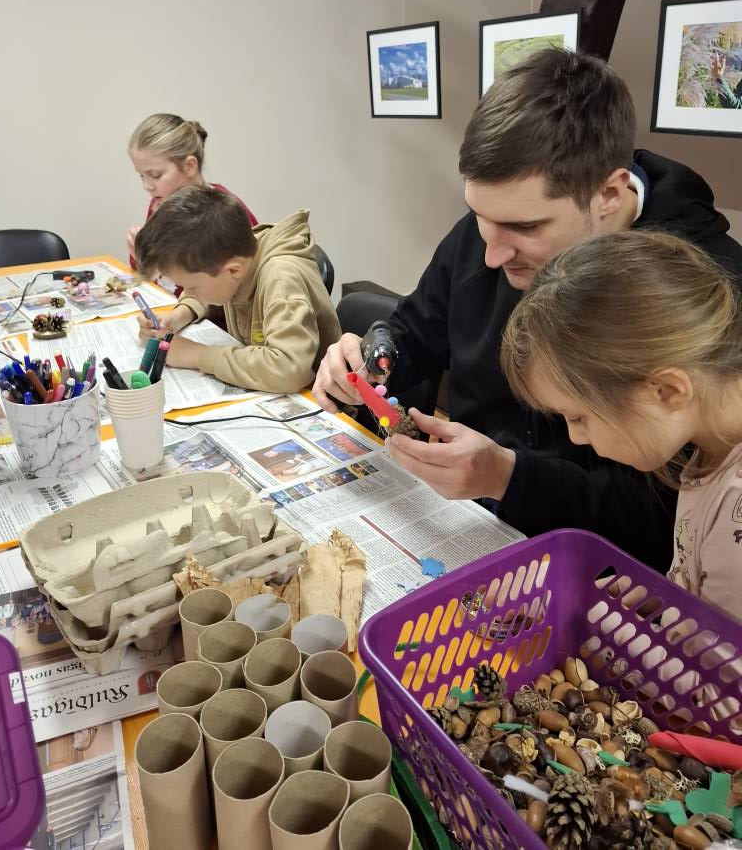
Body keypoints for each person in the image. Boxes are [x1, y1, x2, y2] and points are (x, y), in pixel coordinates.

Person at [312, 47, 742, 572]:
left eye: (525, 227)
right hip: (469, 520)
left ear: (609, 193)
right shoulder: (487, 235)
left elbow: (668, 521)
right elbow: (416, 330)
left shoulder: (706, 295)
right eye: (479, 216)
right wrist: (372, 360)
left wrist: (512, 478)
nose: (491, 255)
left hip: (601, 563)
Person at [501, 230, 742, 621]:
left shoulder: (736, 500)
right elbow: (704, 596)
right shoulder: (712, 441)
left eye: (578, 417)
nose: (575, 436)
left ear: (667, 391)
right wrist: (657, 598)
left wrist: (576, 613)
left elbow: (715, 661)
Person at [134, 186, 341, 393]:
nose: (187, 292)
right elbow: (212, 291)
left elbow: (288, 369)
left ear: (233, 270)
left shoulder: (281, 281)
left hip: (321, 400)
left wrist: (196, 355)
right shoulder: (236, 261)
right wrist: (178, 316)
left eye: (192, 286)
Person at [127, 113, 258, 277]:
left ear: (189, 166)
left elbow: (248, 277)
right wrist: (140, 253)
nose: (147, 186)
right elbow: (151, 272)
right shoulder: (160, 205)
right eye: (141, 175)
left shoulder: (226, 212)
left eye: (155, 175)